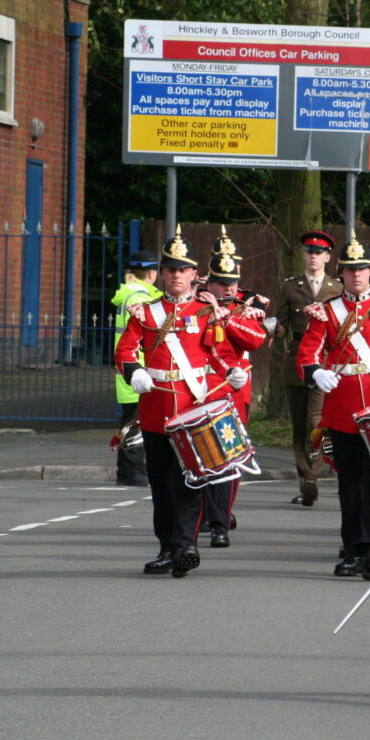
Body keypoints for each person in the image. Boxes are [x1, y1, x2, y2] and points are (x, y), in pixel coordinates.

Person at [114, 227, 266, 577]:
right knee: (162, 484)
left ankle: (186, 545)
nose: (176, 276)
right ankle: (167, 547)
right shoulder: (146, 311)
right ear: (163, 274)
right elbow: (124, 350)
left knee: (192, 480)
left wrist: (231, 371)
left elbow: (215, 351)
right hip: (156, 410)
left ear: (194, 274)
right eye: (170, 270)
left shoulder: (205, 310)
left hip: (193, 408)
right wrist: (134, 370)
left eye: (183, 270)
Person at [296, 235, 370, 578]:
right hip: (344, 407)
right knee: (350, 484)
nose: (357, 276)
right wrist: (316, 372)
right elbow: (308, 352)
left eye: (362, 270)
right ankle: (352, 548)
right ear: (342, 273)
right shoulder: (327, 310)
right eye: (350, 271)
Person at [199, 227, 272, 549]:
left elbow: (255, 339)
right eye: (221, 283)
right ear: (209, 281)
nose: (228, 287)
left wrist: (224, 313)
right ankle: (205, 514)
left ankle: (220, 518)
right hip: (198, 389)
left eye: (232, 283)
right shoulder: (195, 305)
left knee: (228, 457)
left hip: (232, 392)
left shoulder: (246, 306)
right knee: (200, 458)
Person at [274, 231, 342, 507]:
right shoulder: (290, 287)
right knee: (300, 423)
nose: (314, 256)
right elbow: (282, 324)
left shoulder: (336, 289)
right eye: (309, 251)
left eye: (319, 252)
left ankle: (314, 475)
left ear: (327, 257)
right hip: (297, 360)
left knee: (316, 421)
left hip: (326, 361)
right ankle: (305, 479)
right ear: (303, 255)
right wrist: (273, 328)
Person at [110, 250, 160, 486]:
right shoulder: (140, 298)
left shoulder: (131, 294)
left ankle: (128, 471)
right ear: (152, 272)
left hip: (130, 368)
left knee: (133, 420)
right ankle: (133, 471)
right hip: (137, 369)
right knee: (135, 423)